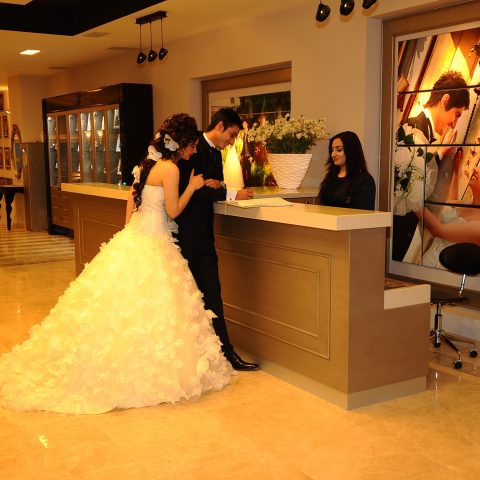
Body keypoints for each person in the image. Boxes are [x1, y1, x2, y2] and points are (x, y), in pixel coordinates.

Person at [0, 113, 233, 414]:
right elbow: (174, 211)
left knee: (123, 305)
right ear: (183, 143)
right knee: (153, 305)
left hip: (136, 235)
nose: (195, 150)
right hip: (155, 241)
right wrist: (193, 186)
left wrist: (129, 233)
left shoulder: (149, 164)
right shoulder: (171, 169)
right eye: (192, 145)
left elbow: (131, 199)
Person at [176, 108, 259, 371]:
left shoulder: (215, 152)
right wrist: (229, 193)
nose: (232, 142)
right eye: (232, 135)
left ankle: (224, 353)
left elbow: (215, 185)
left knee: (213, 294)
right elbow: (191, 191)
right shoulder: (193, 147)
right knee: (189, 298)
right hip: (186, 237)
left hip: (204, 236)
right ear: (220, 126)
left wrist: (220, 186)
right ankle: (196, 356)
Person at [392, 71, 470, 261]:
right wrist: (441, 153)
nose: (455, 123)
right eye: (456, 114)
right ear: (445, 101)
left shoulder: (422, 131)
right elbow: (411, 186)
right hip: (400, 225)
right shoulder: (413, 130)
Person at [422, 166, 480, 268]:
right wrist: (457, 169)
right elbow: (452, 201)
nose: (475, 169)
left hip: (437, 268)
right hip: (428, 256)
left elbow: (437, 230)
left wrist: (411, 197)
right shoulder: (471, 201)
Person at [318, 131, 376, 210]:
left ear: (351, 151)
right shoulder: (331, 176)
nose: (333, 154)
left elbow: (365, 213)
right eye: (332, 150)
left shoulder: (364, 180)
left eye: (339, 150)